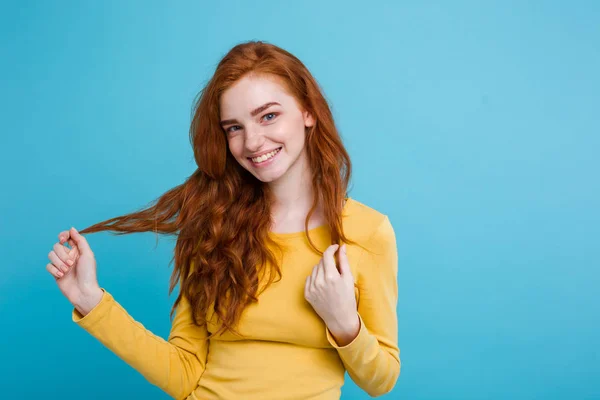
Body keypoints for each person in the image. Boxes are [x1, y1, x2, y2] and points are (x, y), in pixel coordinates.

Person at [46, 40, 400, 400]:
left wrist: (345, 324)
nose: (253, 142)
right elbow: (183, 373)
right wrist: (91, 301)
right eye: (234, 127)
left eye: (268, 116)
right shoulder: (214, 227)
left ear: (308, 111)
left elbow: (381, 380)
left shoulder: (366, 233)